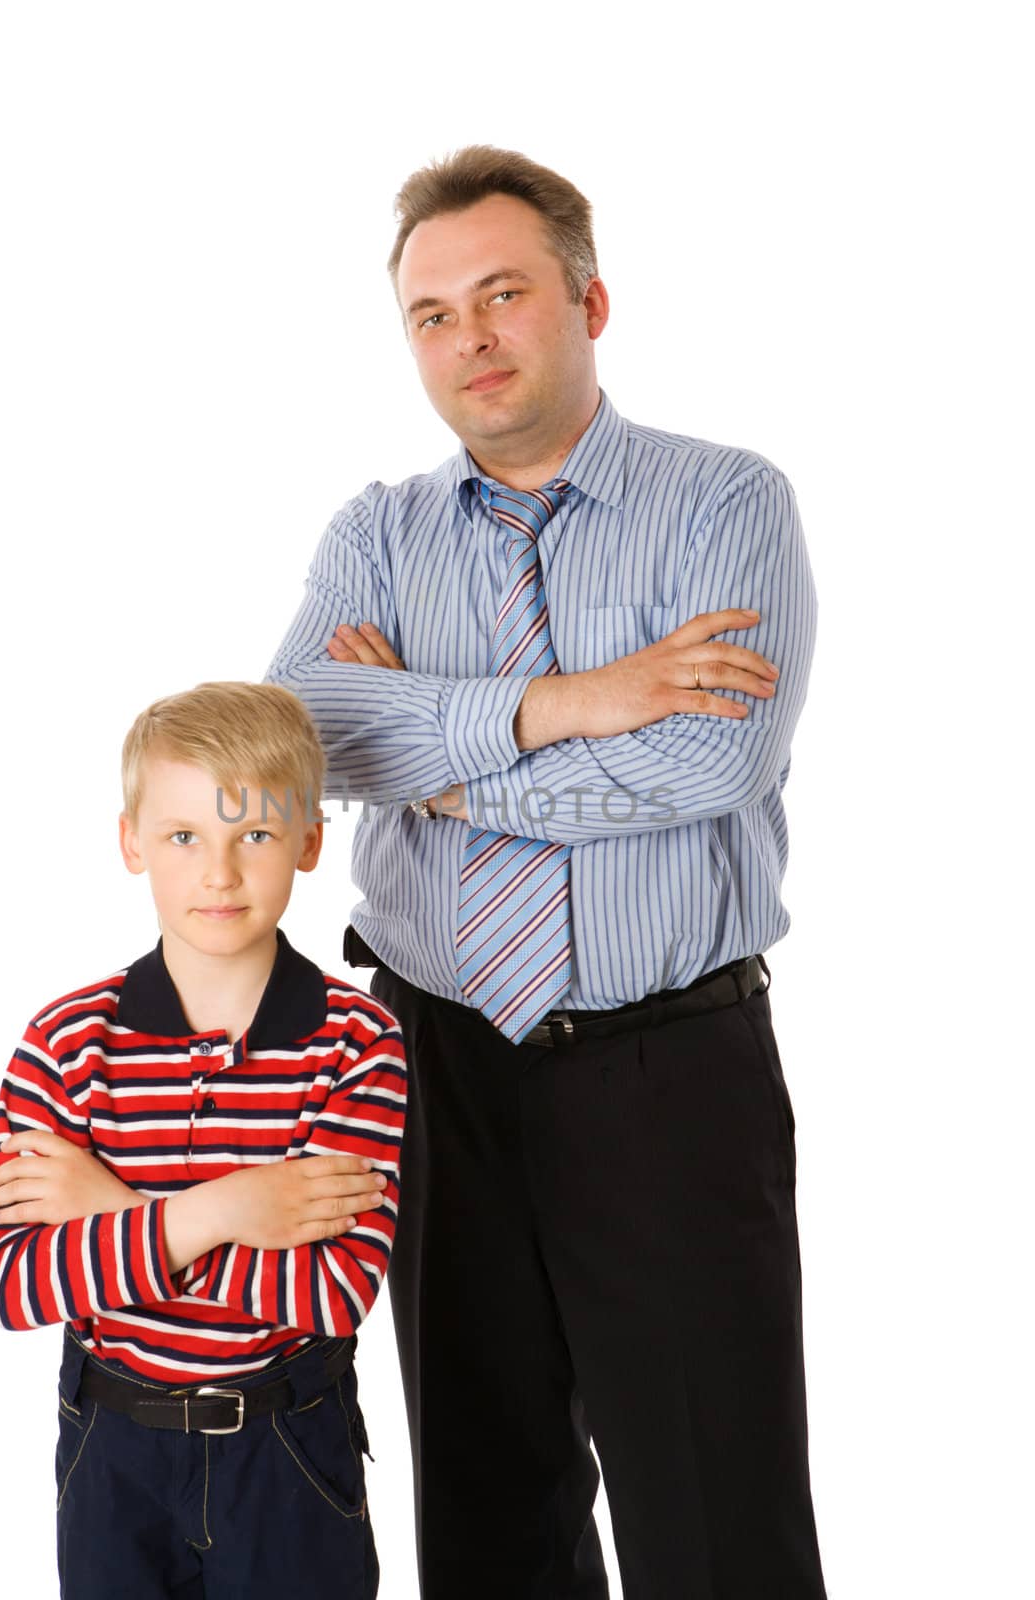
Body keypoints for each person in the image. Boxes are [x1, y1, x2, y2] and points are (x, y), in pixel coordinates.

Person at [264, 147, 828, 1598]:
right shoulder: (377, 532)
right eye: (433, 315)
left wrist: (428, 752)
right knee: (488, 1507)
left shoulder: (724, 505)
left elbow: (712, 768)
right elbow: (294, 734)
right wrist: (565, 702)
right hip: (430, 1062)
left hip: (667, 1072)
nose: (472, 339)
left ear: (590, 299)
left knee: (715, 1517)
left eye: (503, 294)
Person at [0, 681, 406, 1600]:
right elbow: (11, 1283)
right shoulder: (66, 1042)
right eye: (183, 838)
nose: (220, 873)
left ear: (311, 842)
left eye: (254, 834)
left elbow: (330, 1294)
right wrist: (223, 1211)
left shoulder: (356, 1044)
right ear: (132, 842)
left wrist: (116, 1212)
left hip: (288, 1450)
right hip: (111, 1451)